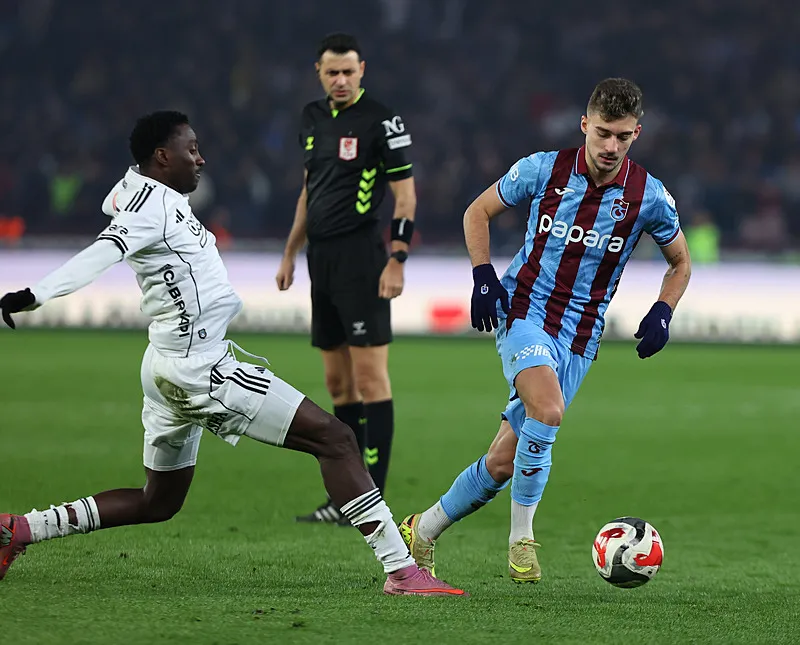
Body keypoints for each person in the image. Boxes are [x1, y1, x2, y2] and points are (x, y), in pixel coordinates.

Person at [0, 111, 463, 597]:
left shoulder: (147, 194)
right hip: (202, 369)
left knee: (158, 501)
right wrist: (36, 293)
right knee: (337, 439)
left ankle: (20, 529)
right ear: (162, 157)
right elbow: (103, 251)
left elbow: (121, 208)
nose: (201, 158)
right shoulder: (149, 209)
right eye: (191, 149)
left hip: (164, 365)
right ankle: (402, 571)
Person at [399, 78, 692, 583]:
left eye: (622, 137)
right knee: (549, 409)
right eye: (602, 133)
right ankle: (522, 541)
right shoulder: (543, 169)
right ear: (584, 125)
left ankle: (421, 530)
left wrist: (663, 311)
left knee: (503, 461)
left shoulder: (649, 196)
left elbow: (680, 262)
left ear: (636, 134)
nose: (610, 146)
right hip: (525, 311)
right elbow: (477, 212)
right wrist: (483, 275)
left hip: (581, 336)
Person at [275, 33, 416, 524]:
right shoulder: (311, 118)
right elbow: (308, 192)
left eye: (348, 72)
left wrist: (397, 258)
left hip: (362, 259)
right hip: (322, 261)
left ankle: (372, 496)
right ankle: (347, 495)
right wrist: (290, 252)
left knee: (371, 378)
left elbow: (405, 196)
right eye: (332, 72)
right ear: (318, 72)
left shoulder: (382, 121)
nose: (340, 80)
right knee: (338, 384)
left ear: (362, 71)